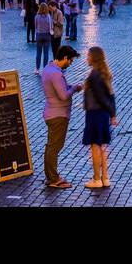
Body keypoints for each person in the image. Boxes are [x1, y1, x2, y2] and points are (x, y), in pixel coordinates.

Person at [41, 45, 81, 189]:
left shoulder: (48, 69)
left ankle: (50, 176)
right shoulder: (56, 74)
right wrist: (75, 88)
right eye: (70, 61)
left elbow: (58, 89)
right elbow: (63, 95)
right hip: (58, 115)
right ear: (65, 58)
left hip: (52, 113)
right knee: (54, 146)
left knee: (51, 146)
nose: (70, 63)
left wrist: (69, 86)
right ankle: (53, 179)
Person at [79, 46, 116, 190]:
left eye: (88, 56)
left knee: (95, 146)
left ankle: (96, 179)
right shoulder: (105, 74)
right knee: (103, 146)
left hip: (95, 113)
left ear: (93, 57)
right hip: (103, 114)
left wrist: (112, 113)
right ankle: (105, 178)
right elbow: (111, 96)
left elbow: (101, 98)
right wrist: (112, 114)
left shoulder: (94, 75)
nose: (86, 58)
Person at [33, 3, 54, 73]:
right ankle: (45, 69)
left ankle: (37, 69)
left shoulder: (37, 16)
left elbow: (35, 26)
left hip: (39, 35)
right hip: (47, 35)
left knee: (38, 53)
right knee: (46, 53)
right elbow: (51, 26)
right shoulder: (48, 16)